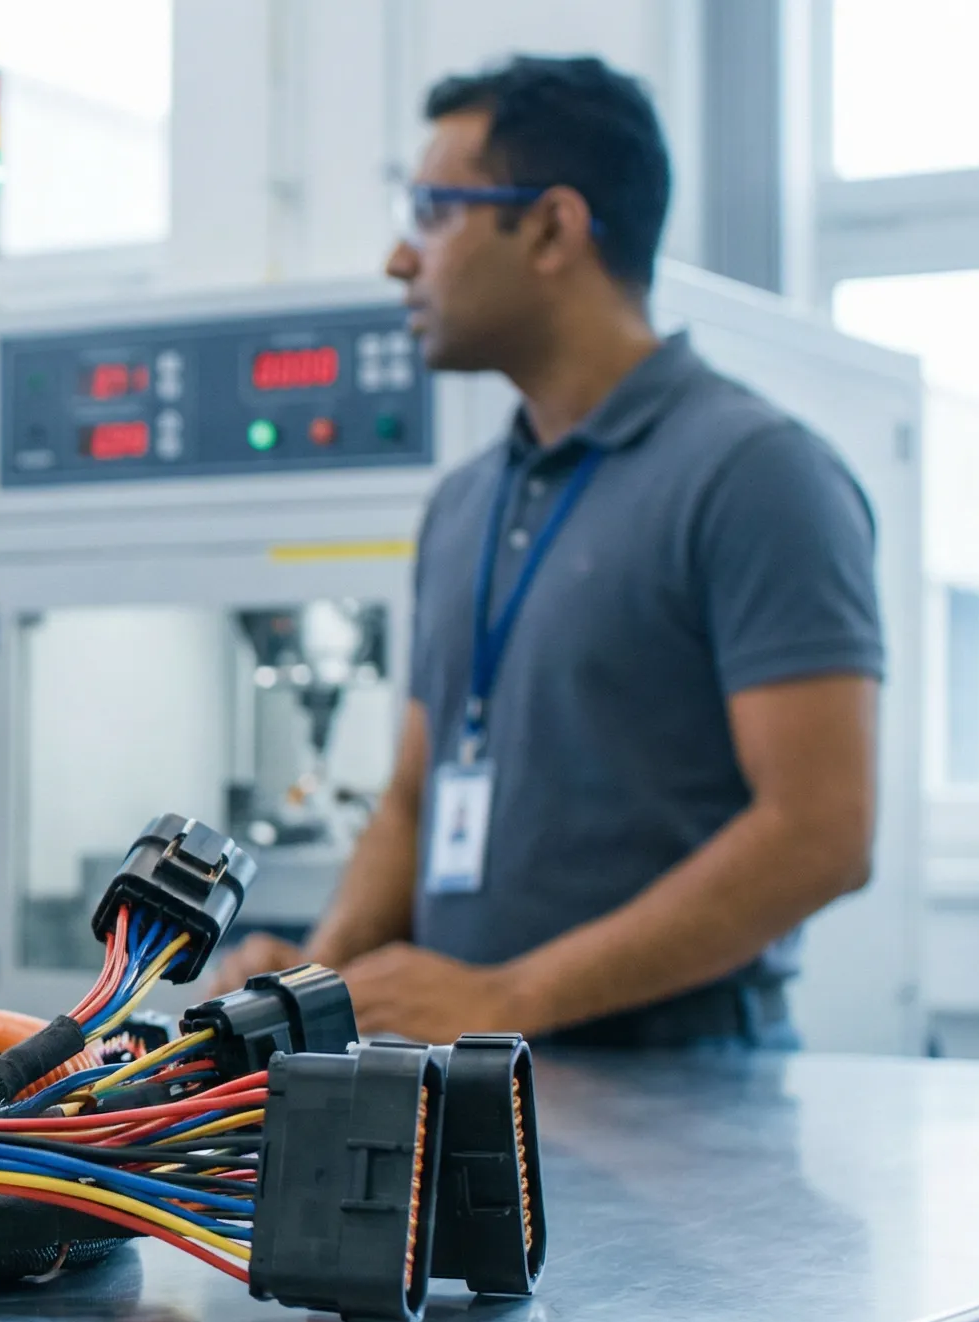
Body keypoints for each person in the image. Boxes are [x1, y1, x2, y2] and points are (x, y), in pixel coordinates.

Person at [211, 55, 883, 1053]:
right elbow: (411, 796)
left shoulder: (755, 475)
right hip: (474, 1070)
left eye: (431, 214)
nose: (401, 261)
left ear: (553, 228)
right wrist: (320, 984)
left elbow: (821, 832)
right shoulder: (463, 502)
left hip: (681, 1087)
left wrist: (509, 997)